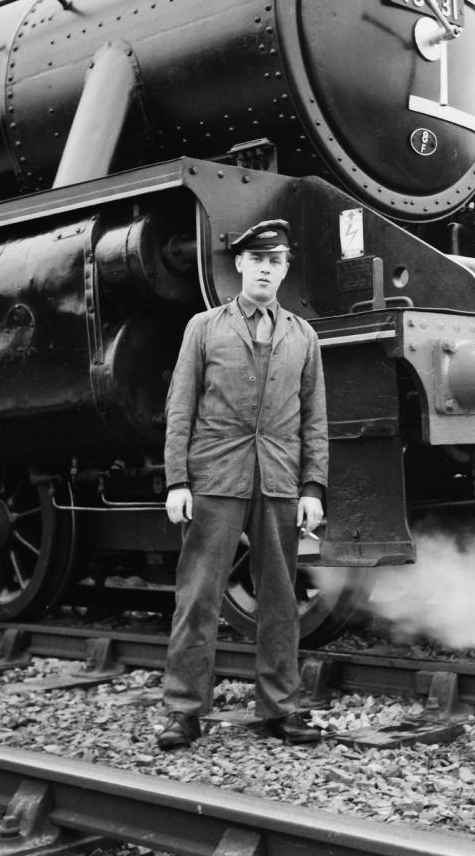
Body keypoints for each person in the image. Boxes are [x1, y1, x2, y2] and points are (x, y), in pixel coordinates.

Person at [157, 218, 327, 749]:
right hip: (215, 476)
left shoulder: (303, 335)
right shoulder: (203, 328)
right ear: (240, 266)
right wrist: (177, 480)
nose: (265, 270)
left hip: (278, 479)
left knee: (280, 599)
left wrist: (313, 489)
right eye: (257, 260)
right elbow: (179, 407)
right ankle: (185, 711)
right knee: (199, 596)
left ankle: (281, 709)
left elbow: (315, 420)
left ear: (285, 270)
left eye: (275, 262)